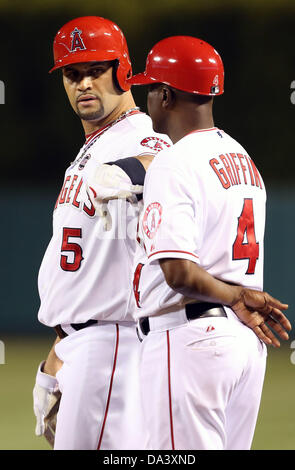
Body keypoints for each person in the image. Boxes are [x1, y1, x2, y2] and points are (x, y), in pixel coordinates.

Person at [127, 36, 291, 450]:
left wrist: (234, 295)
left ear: (165, 95)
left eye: (150, 88)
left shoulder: (173, 161)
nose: (147, 97)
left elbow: (178, 271)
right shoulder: (243, 158)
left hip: (190, 340)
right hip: (242, 347)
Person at [32, 16, 172, 450]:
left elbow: (169, 163)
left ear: (123, 69)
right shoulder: (92, 147)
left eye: (96, 69)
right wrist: (59, 348)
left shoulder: (140, 134)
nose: (83, 83)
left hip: (113, 340)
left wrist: (129, 170)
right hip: (80, 343)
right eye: (72, 74)